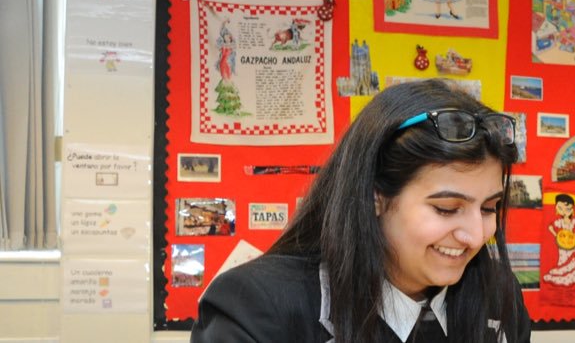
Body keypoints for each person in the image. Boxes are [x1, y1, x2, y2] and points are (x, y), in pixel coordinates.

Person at [191, 79, 531, 342]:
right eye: (446, 208)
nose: (474, 236)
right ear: (375, 196)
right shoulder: (258, 305)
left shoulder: (498, 295)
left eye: (489, 207)